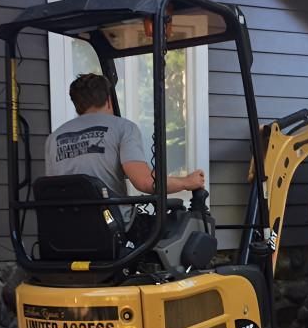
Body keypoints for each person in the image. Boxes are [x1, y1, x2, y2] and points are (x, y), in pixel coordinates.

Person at [45, 73, 205, 226]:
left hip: (64, 230)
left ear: (77, 105)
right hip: (111, 227)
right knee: (178, 228)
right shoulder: (123, 128)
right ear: (108, 100)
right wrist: (187, 182)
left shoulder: (54, 138)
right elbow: (146, 182)